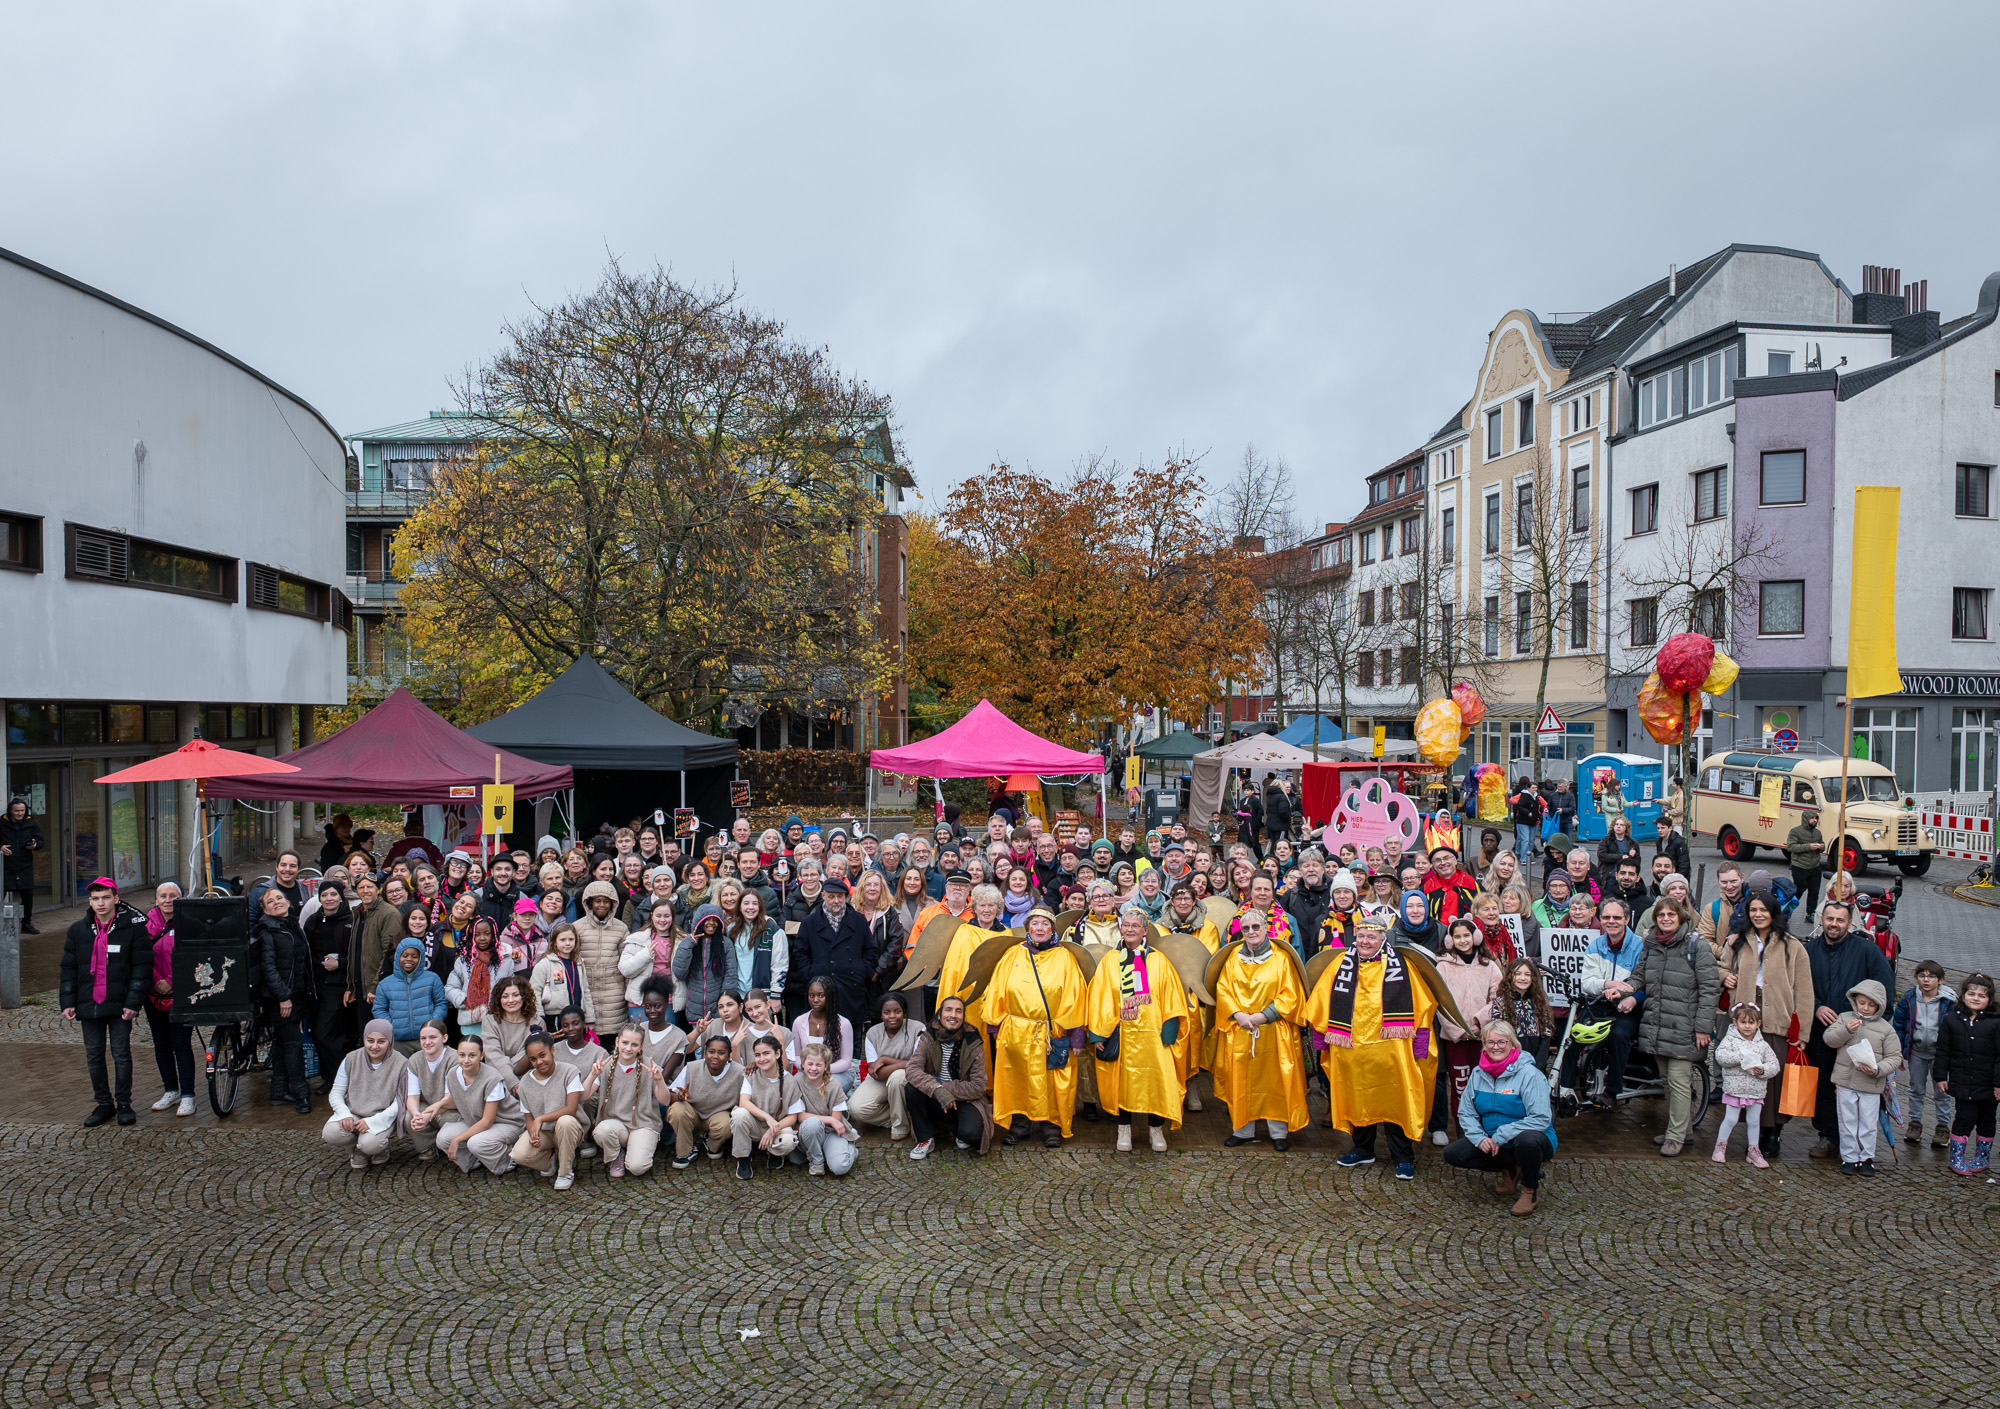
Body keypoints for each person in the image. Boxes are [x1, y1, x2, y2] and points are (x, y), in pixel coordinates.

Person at [1309, 923, 1438, 1179]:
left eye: (1371, 937)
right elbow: (1320, 1002)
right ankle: (1362, 1149)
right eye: (1361, 936)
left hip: (1393, 1051)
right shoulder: (1339, 965)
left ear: (1382, 938)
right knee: (1358, 1098)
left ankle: (1403, 1156)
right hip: (1351, 1048)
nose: (1365, 941)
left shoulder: (1403, 967)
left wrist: (1421, 1042)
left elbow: (1423, 1006)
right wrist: (1320, 1039)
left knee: (1395, 1101)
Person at [1714, 890, 1813, 1160]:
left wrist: (1802, 1031)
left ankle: (1773, 1134)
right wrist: (1725, 977)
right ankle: (1753, 1137)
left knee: (1774, 1080)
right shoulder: (1736, 941)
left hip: (1778, 1020)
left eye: (1763, 910)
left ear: (1773, 913)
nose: (1758, 915)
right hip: (1745, 1021)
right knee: (1747, 1078)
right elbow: (1721, 967)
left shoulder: (1793, 946)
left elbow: (1804, 991)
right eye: (1753, 910)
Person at [1086, 906, 1190, 1152]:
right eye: (1126, 925)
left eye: (1136, 926)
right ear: (1121, 929)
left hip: (1153, 1034)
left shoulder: (1159, 960)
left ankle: (1156, 1129)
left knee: (1157, 1081)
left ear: (1145, 931)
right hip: (1121, 1033)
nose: (1130, 929)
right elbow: (1100, 997)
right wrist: (1100, 1032)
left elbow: (1171, 995)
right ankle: (1124, 1129)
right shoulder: (1110, 961)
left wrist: (1170, 1028)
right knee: (1123, 1083)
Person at [985, 907, 1089, 1149]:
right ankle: (1019, 1124)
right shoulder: (1012, 955)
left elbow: (1076, 997)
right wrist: (994, 1027)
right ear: (1028, 928)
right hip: (1015, 1031)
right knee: (1017, 1077)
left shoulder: (1065, 958)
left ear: (1052, 929)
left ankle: (1051, 1125)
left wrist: (1076, 1036)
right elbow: (996, 991)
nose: (1040, 928)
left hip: (1051, 1033)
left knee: (1051, 1081)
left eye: (1045, 924)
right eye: (1035, 924)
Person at [1210, 907, 1308, 1151]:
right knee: (1240, 1078)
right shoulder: (1233, 957)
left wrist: (1265, 1016)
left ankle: (1278, 1132)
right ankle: (1242, 1129)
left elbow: (1291, 993)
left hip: (1273, 1031)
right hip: (1240, 1029)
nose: (1251, 931)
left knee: (1275, 1079)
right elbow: (1223, 989)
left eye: (1256, 927)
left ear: (1266, 928)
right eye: (1246, 928)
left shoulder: (1282, 958)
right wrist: (1238, 1014)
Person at [1805, 901, 1894, 1160]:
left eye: (1840, 920)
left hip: (1858, 1036)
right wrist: (1816, 1007)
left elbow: (1884, 991)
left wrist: (1875, 1030)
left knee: (1857, 1087)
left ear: (1849, 922)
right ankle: (1828, 1135)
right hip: (1821, 1033)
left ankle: (1857, 1139)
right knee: (1822, 1085)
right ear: (1821, 919)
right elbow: (1798, 988)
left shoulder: (1867, 951)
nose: (1834, 924)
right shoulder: (1808, 951)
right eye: (1829, 918)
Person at [1442, 1020, 1555, 1217]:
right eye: (1490, 1042)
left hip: (1532, 1139)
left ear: (1512, 1044)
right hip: (1495, 1140)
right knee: (1453, 1153)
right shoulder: (1478, 1074)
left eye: (1501, 1042)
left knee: (1527, 1141)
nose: (1496, 1047)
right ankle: (1511, 1167)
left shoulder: (1529, 1074)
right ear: (1483, 1045)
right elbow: (1466, 1112)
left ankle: (1530, 1190)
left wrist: (1502, 1134)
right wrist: (1480, 1138)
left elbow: (1541, 1118)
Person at [1633, 897, 1717, 1157]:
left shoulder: (1697, 946)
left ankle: (1675, 1136)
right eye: (1661, 915)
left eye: (1671, 914)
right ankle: (1684, 1130)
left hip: (1684, 1026)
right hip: (1658, 1023)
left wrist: (1703, 1028)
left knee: (1680, 1082)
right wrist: (1626, 988)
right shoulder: (1651, 943)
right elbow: (1640, 974)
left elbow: (1710, 989)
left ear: (1681, 917)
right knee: (1668, 1081)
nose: (1666, 918)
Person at [1562, 898, 1643, 1103]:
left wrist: (1633, 998)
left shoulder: (1640, 946)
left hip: (1627, 1007)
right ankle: (1565, 1089)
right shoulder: (1595, 945)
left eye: (1617, 917)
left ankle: (1612, 1092)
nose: (1611, 921)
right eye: (1606, 917)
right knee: (1572, 1038)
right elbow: (1587, 983)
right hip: (1599, 1003)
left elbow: (1648, 983)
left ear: (1626, 919)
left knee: (1619, 1036)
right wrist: (1607, 984)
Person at [1822, 978, 1901, 1175]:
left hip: (1871, 1084)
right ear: (1855, 1000)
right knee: (1847, 1121)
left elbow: (1895, 1057)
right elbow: (1829, 1039)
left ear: (1879, 1006)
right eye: (1862, 1003)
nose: (1865, 1008)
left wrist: (1877, 1070)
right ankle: (1849, 1158)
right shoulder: (1844, 1018)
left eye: (1871, 1005)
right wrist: (1847, 1029)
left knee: (1867, 1123)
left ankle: (1866, 1158)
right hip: (1845, 1081)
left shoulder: (1886, 1029)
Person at [1435, 918, 1501, 1138]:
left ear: (1475, 937)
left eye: (1466, 935)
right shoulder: (1443, 966)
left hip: (1482, 1038)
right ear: (1450, 940)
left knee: (1483, 1083)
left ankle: (1485, 1130)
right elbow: (1440, 1001)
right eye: (1457, 936)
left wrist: (1477, 1023)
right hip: (1456, 1039)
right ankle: (1463, 1132)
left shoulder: (1489, 965)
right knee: (1460, 1084)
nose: (1462, 940)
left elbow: (1498, 998)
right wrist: (1458, 1029)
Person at [905, 993, 991, 1158]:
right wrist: (937, 1090)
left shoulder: (973, 1041)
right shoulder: (928, 1036)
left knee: (972, 1136)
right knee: (911, 1088)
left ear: (963, 1017)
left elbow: (978, 1086)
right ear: (940, 1014)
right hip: (935, 1097)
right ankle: (925, 1138)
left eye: (958, 1011)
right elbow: (912, 1070)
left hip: (965, 1100)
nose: (953, 1015)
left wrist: (942, 1087)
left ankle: (955, 1128)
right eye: (948, 1010)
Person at [253, 883, 314, 1113]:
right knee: (293, 1045)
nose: (277, 902)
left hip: (296, 994)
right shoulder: (268, 930)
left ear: (288, 902)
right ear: (266, 910)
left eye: (279, 898)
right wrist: (283, 997)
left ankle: (278, 1091)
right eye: (271, 901)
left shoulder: (290, 924)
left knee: (282, 1043)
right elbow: (268, 968)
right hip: (280, 999)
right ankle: (301, 1094)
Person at [138, 882, 197, 1117]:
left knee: (181, 1044)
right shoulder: (144, 925)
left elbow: (193, 956)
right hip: (152, 994)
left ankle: (188, 1095)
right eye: (163, 896)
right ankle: (170, 1090)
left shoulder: (189, 922)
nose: (167, 899)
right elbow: (141, 955)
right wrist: (156, 980)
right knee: (161, 1044)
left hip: (181, 993)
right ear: (156, 899)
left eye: (173, 895)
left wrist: (171, 980)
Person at [322, 1019, 409, 1169]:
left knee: (370, 1144)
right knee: (331, 1133)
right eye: (370, 1041)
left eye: (381, 1041)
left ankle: (378, 1149)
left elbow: (400, 1102)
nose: (374, 1046)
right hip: (353, 1113)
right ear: (364, 1039)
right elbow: (336, 1092)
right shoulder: (351, 1058)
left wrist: (372, 1122)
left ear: (390, 1041)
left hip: (381, 1115)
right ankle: (356, 1150)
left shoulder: (401, 1063)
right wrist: (344, 1114)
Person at [1935, 972, 1999, 1176]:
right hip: (1963, 1082)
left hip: (1989, 1084)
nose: (1976, 998)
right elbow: (1943, 1050)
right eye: (1972, 994)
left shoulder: (1996, 1022)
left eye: (1982, 995)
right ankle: (1956, 1157)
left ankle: (1982, 1157)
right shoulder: (1952, 1020)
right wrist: (1940, 1076)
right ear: (1963, 996)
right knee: (1965, 1118)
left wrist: (1998, 1083)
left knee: (1988, 1120)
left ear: (1989, 999)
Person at [798, 877, 876, 1037]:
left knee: (852, 1040)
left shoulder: (858, 920)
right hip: (821, 990)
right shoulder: (810, 922)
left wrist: (861, 972)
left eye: (840, 896)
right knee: (821, 1041)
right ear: (823, 896)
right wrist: (813, 975)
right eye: (831, 896)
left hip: (852, 989)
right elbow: (800, 954)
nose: (836, 900)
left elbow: (871, 951)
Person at [435, 1035, 525, 1175]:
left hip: (508, 1122)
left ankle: (507, 1159)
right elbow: (458, 1099)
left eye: (472, 1055)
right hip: (477, 1121)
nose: (466, 1060)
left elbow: (487, 1121)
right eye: (462, 1055)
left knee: (476, 1143)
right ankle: (473, 1161)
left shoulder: (492, 1078)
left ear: (481, 1055)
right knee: (443, 1138)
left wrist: (457, 1139)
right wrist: (435, 1108)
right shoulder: (452, 1074)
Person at [587, 1026, 668, 1178]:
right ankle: (617, 1154)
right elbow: (584, 1096)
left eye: (634, 1045)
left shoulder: (649, 1066)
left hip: (643, 1124)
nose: (628, 1048)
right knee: (602, 1131)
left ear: (641, 1047)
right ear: (617, 1042)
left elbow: (665, 1100)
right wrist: (592, 1075)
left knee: (637, 1167)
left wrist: (659, 1081)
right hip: (616, 1125)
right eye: (625, 1042)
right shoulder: (605, 1066)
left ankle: (638, 1147)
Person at [1891, 960, 1956, 1151]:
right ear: (1916, 978)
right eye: (1922, 975)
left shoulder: (1949, 1002)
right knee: (1916, 1089)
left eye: (1931, 976)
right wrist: (1900, 1052)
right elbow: (1900, 1027)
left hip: (1941, 1055)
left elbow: (1955, 1030)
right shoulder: (1908, 999)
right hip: (1917, 1052)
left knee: (1942, 1091)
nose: (1926, 980)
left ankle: (1943, 1127)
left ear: (1941, 980)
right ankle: (1915, 1123)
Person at [509, 1032, 586, 1188]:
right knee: (519, 1155)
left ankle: (565, 1171)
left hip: (568, 1129)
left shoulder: (569, 1071)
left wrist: (541, 1119)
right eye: (533, 1059)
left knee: (565, 1122)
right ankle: (549, 1158)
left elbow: (571, 1109)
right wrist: (533, 1134)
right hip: (545, 1133)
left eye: (542, 1055)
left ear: (552, 1050)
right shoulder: (525, 1082)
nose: (539, 1062)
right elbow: (529, 1117)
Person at [303, 879, 359, 1091]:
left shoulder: (351, 919)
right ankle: (332, 1078)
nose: (329, 899)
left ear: (341, 897)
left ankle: (339, 1081)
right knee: (323, 1033)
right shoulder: (313, 921)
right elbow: (306, 951)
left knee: (330, 1034)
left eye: (333, 895)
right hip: (318, 985)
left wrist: (340, 964)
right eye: (325, 895)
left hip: (341, 985)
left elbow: (358, 953)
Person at [1712, 1002, 1779, 1167]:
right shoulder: (1730, 1041)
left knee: (1754, 1121)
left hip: (1756, 1091)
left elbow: (1774, 1064)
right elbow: (1720, 1056)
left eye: (1751, 1023)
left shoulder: (1762, 1045)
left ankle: (1753, 1151)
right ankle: (1719, 1148)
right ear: (1735, 1022)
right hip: (1735, 1089)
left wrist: (1762, 1070)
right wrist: (1740, 1057)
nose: (1747, 1026)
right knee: (1730, 1119)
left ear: (1758, 1024)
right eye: (1743, 1022)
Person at [850, 992, 924, 1141]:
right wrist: (905, 1063)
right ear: (881, 1014)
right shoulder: (873, 1033)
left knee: (897, 1077)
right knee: (855, 1109)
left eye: (897, 1011)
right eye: (887, 1012)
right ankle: (906, 1118)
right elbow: (875, 1073)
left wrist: (884, 1059)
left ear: (904, 1012)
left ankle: (900, 1127)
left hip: (909, 1078)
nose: (892, 1016)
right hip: (881, 1079)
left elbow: (917, 1065)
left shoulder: (918, 1029)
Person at [731, 1032, 803, 1178]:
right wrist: (767, 1118)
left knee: (788, 1141)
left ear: (777, 1054)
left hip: (778, 1126)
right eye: (757, 1055)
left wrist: (773, 1129)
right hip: (755, 1124)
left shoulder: (789, 1081)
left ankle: (774, 1152)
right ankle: (743, 1158)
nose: (762, 1059)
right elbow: (743, 1102)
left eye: (766, 1053)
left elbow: (793, 1116)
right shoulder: (751, 1075)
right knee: (739, 1114)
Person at [571, 879, 633, 1037]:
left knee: (613, 1040)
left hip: (614, 992)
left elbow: (626, 962)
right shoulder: (577, 927)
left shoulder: (621, 928)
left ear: (613, 904)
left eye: (606, 901)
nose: (602, 905)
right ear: (589, 903)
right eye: (598, 901)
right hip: (587, 989)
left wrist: (627, 992)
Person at [790, 1042, 858, 1176]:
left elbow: (837, 1118)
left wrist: (832, 1121)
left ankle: (849, 1149)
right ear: (803, 1064)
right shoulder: (797, 1082)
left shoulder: (833, 1085)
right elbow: (800, 1116)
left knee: (840, 1167)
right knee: (812, 1124)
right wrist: (829, 1119)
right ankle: (817, 1161)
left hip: (831, 1133)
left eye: (818, 1065)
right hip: (809, 1132)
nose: (813, 1069)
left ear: (826, 1066)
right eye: (810, 1064)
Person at [373, 937, 449, 1053]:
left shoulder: (432, 979)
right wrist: (392, 1027)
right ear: (398, 956)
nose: (409, 959)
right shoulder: (385, 984)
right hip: (398, 1042)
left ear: (421, 959)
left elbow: (441, 1003)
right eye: (405, 955)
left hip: (426, 1040)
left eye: (414, 956)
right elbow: (379, 1009)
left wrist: (432, 1023)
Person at [789, 976, 856, 1091]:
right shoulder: (799, 1022)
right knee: (791, 1088)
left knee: (824, 1089)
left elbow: (846, 1061)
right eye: (811, 995)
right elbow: (796, 1055)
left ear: (830, 997)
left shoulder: (843, 1024)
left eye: (821, 995)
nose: (815, 1000)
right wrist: (809, 1069)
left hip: (837, 1073)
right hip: (808, 1072)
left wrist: (821, 1069)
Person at [529, 923, 595, 1031]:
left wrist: (590, 1019)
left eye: (571, 939)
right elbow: (534, 992)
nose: (567, 943)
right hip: (554, 1016)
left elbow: (586, 991)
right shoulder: (545, 963)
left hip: (577, 1014)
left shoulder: (579, 963)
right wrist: (539, 1018)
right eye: (563, 940)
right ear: (554, 942)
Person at [1490, 958, 1554, 1070]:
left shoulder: (1538, 1001)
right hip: (1509, 1062)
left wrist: (1538, 1065)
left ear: (1533, 978)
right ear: (1510, 977)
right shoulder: (1501, 1002)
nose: (1523, 978)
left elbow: (1546, 1035)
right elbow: (1497, 1034)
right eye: (1518, 974)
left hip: (1535, 1061)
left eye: (1527, 974)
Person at [1, 797, 45, 933]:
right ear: (10, 811)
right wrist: (0, 847)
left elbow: (40, 841)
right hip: (5, 866)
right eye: (17, 811)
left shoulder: (31, 823)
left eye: (22, 810)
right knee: (1, 892)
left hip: (24, 864)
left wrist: (35, 845)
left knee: (27, 894)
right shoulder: (1, 823)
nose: (20, 813)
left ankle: (26, 924)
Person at [1784, 810, 1827, 929]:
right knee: (1798, 890)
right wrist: (1809, 846)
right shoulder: (1795, 831)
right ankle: (1787, 911)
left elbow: (1822, 845)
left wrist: (1821, 847)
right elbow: (1790, 846)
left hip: (1815, 867)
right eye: (1812, 818)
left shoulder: (1817, 832)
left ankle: (1810, 913)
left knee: (1814, 891)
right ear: (1805, 819)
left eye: (1816, 818)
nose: (1814, 820)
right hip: (1800, 867)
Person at [1421, 846, 1478, 926]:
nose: (1443, 863)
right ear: (1433, 866)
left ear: (1455, 861)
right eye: (1438, 860)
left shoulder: (1472, 885)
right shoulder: (1426, 889)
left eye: (1446, 858)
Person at [1596, 816, 1640, 887]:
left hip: (1625, 878)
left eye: (1621, 825)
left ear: (1626, 828)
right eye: (1616, 824)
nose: (1618, 826)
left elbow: (1638, 862)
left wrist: (1632, 856)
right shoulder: (1606, 840)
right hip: (1609, 876)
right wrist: (1620, 857)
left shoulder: (1633, 843)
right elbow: (1601, 855)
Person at [1507, 778, 1540, 862]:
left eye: (1536, 788)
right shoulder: (1524, 796)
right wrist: (1527, 812)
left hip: (1533, 821)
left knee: (1531, 841)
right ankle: (1523, 858)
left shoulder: (1536, 797)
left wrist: (1539, 815)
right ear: (1528, 788)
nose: (1535, 790)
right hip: (1523, 821)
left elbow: (1538, 807)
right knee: (1525, 839)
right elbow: (1518, 806)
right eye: (1533, 788)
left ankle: (1527, 856)